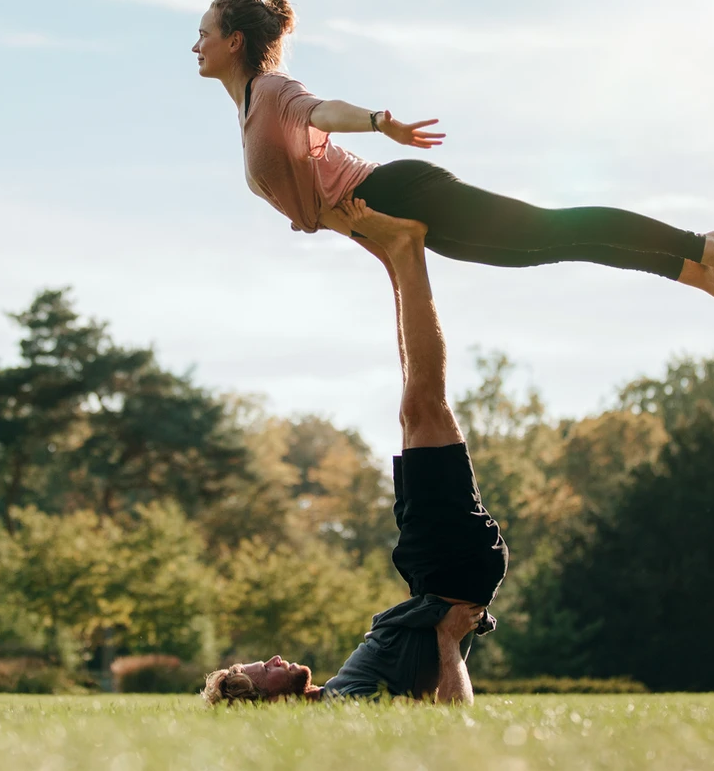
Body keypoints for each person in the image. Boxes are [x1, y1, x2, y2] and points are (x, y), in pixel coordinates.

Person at [193, 0, 714, 314]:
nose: (197, 45)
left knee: (553, 227)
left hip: (397, 191)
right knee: (556, 247)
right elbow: (318, 200)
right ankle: (688, 270)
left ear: (235, 41)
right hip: (387, 221)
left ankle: (705, 245)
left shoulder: (271, 92)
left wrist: (378, 122)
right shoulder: (247, 115)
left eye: (205, 33)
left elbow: (323, 111)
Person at [202, 200, 508, 706]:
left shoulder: (333, 693)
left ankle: (396, 262)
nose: (275, 659)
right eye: (263, 672)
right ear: (267, 702)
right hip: (454, 567)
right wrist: (450, 641)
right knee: (425, 405)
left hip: (428, 571)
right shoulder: (339, 709)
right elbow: (453, 715)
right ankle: (405, 252)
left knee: (413, 408)